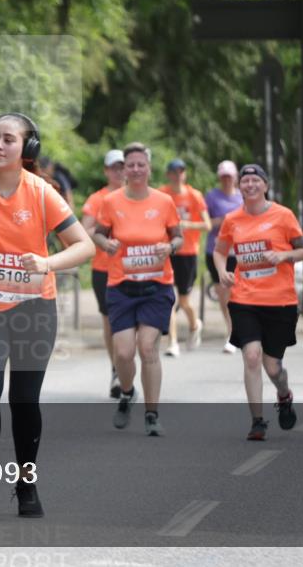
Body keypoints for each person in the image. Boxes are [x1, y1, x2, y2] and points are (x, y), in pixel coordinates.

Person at [0, 113, 93, 518]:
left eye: (8, 139)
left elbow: (84, 246)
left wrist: (47, 263)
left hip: (33, 307)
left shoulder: (43, 193)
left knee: (24, 400)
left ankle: (27, 484)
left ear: (28, 148)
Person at [213, 164, 303, 441]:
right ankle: (257, 421)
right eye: (245, 181)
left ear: (265, 185)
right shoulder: (233, 219)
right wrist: (222, 271)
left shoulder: (283, 215)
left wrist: (284, 256)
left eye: (256, 180)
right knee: (251, 356)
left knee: (272, 366)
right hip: (245, 298)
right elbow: (220, 251)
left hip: (280, 301)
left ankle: (283, 394)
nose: (250, 185)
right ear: (240, 187)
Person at [93, 143, 182, 436]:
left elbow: (178, 237)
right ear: (122, 169)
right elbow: (98, 234)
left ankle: (152, 414)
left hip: (156, 285)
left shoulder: (164, 202)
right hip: (121, 286)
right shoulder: (111, 201)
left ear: (149, 167)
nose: (134, 169)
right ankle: (128, 392)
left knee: (147, 347)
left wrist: (168, 247)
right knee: (123, 352)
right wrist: (107, 244)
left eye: (140, 164)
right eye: (129, 165)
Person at [81, 149, 126, 398]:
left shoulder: (137, 197)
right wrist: (103, 237)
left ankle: (125, 362)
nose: (119, 171)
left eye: (122, 166)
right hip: (104, 269)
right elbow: (83, 231)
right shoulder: (97, 199)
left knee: (131, 325)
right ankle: (116, 369)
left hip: (133, 269)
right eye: (114, 167)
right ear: (106, 171)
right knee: (110, 322)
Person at [159, 158, 209, 356]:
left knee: (184, 301)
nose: (177, 175)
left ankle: (195, 323)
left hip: (188, 252)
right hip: (168, 250)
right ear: (168, 174)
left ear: (185, 174)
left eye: (181, 171)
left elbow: (207, 225)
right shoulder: (162, 194)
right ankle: (172, 342)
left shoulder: (194, 195)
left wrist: (187, 226)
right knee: (169, 299)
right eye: (173, 171)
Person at [204, 160, 244, 353]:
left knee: (239, 293)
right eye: (223, 177)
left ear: (235, 177)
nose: (227, 180)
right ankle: (231, 333)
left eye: (229, 176)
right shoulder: (212, 197)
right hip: (216, 251)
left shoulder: (243, 197)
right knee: (224, 294)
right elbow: (205, 224)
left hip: (240, 252)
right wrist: (223, 221)